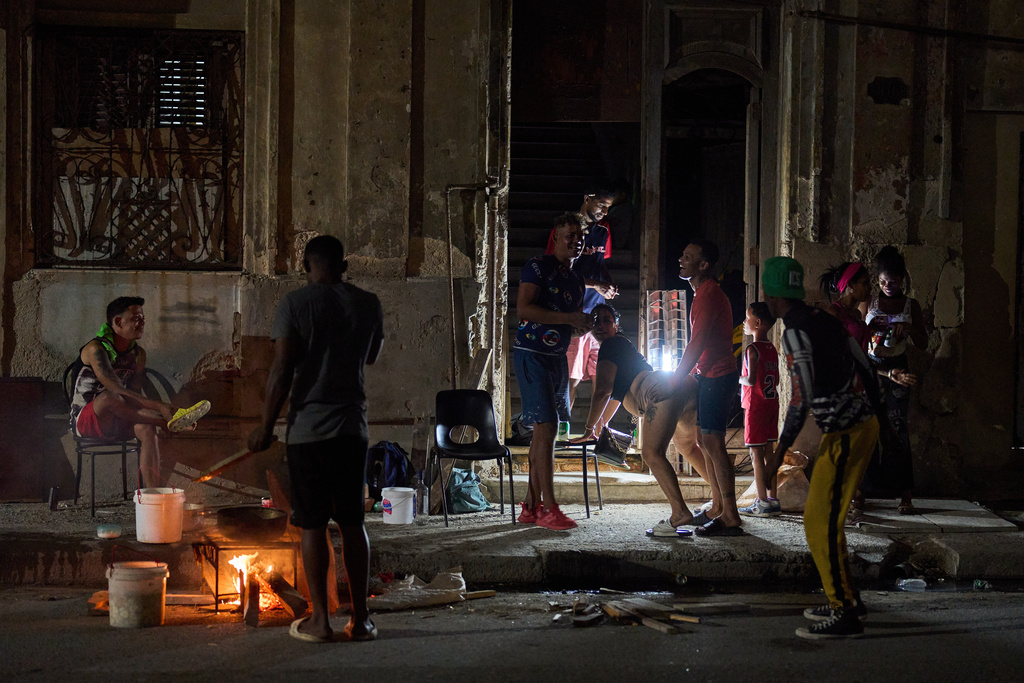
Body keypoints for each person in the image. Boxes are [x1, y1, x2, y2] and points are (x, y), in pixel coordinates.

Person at [247, 235, 384, 644]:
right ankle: (360, 621)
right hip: (352, 429)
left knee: (312, 525)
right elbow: (371, 356)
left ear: (306, 264)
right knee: (353, 522)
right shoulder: (367, 303)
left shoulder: (295, 304)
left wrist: (266, 426)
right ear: (344, 265)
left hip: (308, 432)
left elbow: (282, 368)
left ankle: (321, 622)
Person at [761, 257, 892, 640]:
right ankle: (847, 599)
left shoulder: (795, 333)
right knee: (824, 520)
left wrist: (778, 453)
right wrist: (882, 424)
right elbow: (865, 368)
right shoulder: (826, 321)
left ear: (771, 295)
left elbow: (800, 399)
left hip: (847, 433)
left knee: (819, 522)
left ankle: (845, 613)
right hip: (857, 428)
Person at [571, 303, 702, 535]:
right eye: (596, 320)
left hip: (659, 391)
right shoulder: (622, 346)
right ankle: (723, 504)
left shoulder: (611, 345)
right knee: (689, 448)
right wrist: (602, 426)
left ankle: (680, 513)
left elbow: (602, 391)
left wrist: (589, 428)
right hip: (681, 386)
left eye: (607, 320)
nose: (600, 325)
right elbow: (615, 396)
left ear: (616, 325)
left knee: (651, 453)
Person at [70, 296, 210, 488]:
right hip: (88, 421)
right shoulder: (96, 349)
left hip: (120, 417)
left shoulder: (138, 354)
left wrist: (153, 411)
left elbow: (133, 397)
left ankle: (152, 495)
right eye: (136, 318)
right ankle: (167, 421)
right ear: (118, 322)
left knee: (147, 429)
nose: (142, 322)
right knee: (110, 397)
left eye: (143, 318)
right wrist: (162, 408)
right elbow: (116, 389)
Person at [515, 212, 592, 530]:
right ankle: (550, 508)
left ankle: (531, 507)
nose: (576, 240)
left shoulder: (576, 279)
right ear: (556, 238)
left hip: (557, 358)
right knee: (546, 430)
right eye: (570, 235)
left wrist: (581, 326)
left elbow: (567, 323)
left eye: (580, 236)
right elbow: (524, 309)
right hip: (532, 355)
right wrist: (569, 320)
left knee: (545, 435)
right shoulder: (538, 266)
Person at [671, 239, 743, 537]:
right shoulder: (703, 293)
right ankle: (717, 506)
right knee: (703, 440)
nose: (681, 260)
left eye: (688, 257)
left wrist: (675, 378)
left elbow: (697, 342)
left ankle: (731, 514)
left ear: (703, 265)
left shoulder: (709, 295)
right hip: (707, 375)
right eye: (682, 254)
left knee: (714, 443)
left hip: (717, 375)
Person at [858, 246, 926, 515]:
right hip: (873, 368)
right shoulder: (870, 302)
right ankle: (862, 492)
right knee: (868, 428)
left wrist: (908, 329)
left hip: (899, 369)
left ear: (902, 280)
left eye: (893, 282)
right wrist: (870, 329)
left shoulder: (912, 306)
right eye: (882, 281)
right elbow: (859, 339)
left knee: (898, 427)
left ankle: (905, 495)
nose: (887, 286)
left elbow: (922, 343)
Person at [546, 188, 620, 416]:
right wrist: (595, 285)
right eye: (601, 205)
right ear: (587, 198)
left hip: (597, 312)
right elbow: (559, 270)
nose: (604, 211)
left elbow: (600, 262)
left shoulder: (602, 230)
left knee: (604, 378)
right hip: (575, 313)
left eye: (609, 207)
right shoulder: (566, 232)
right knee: (572, 378)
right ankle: (562, 430)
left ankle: (597, 431)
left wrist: (607, 284)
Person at [737, 302, 781, 517]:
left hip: (755, 406)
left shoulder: (751, 349)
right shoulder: (772, 348)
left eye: (747, 318)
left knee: (756, 455)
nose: (744, 322)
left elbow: (751, 378)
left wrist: (737, 378)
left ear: (757, 322)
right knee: (769, 454)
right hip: (772, 404)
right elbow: (778, 379)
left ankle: (761, 501)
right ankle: (774, 499)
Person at [819, 262, 873, 352]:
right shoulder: (834, 314)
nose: (870, 288)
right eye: (865, 283)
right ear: (850, 285)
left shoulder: (856, 314)